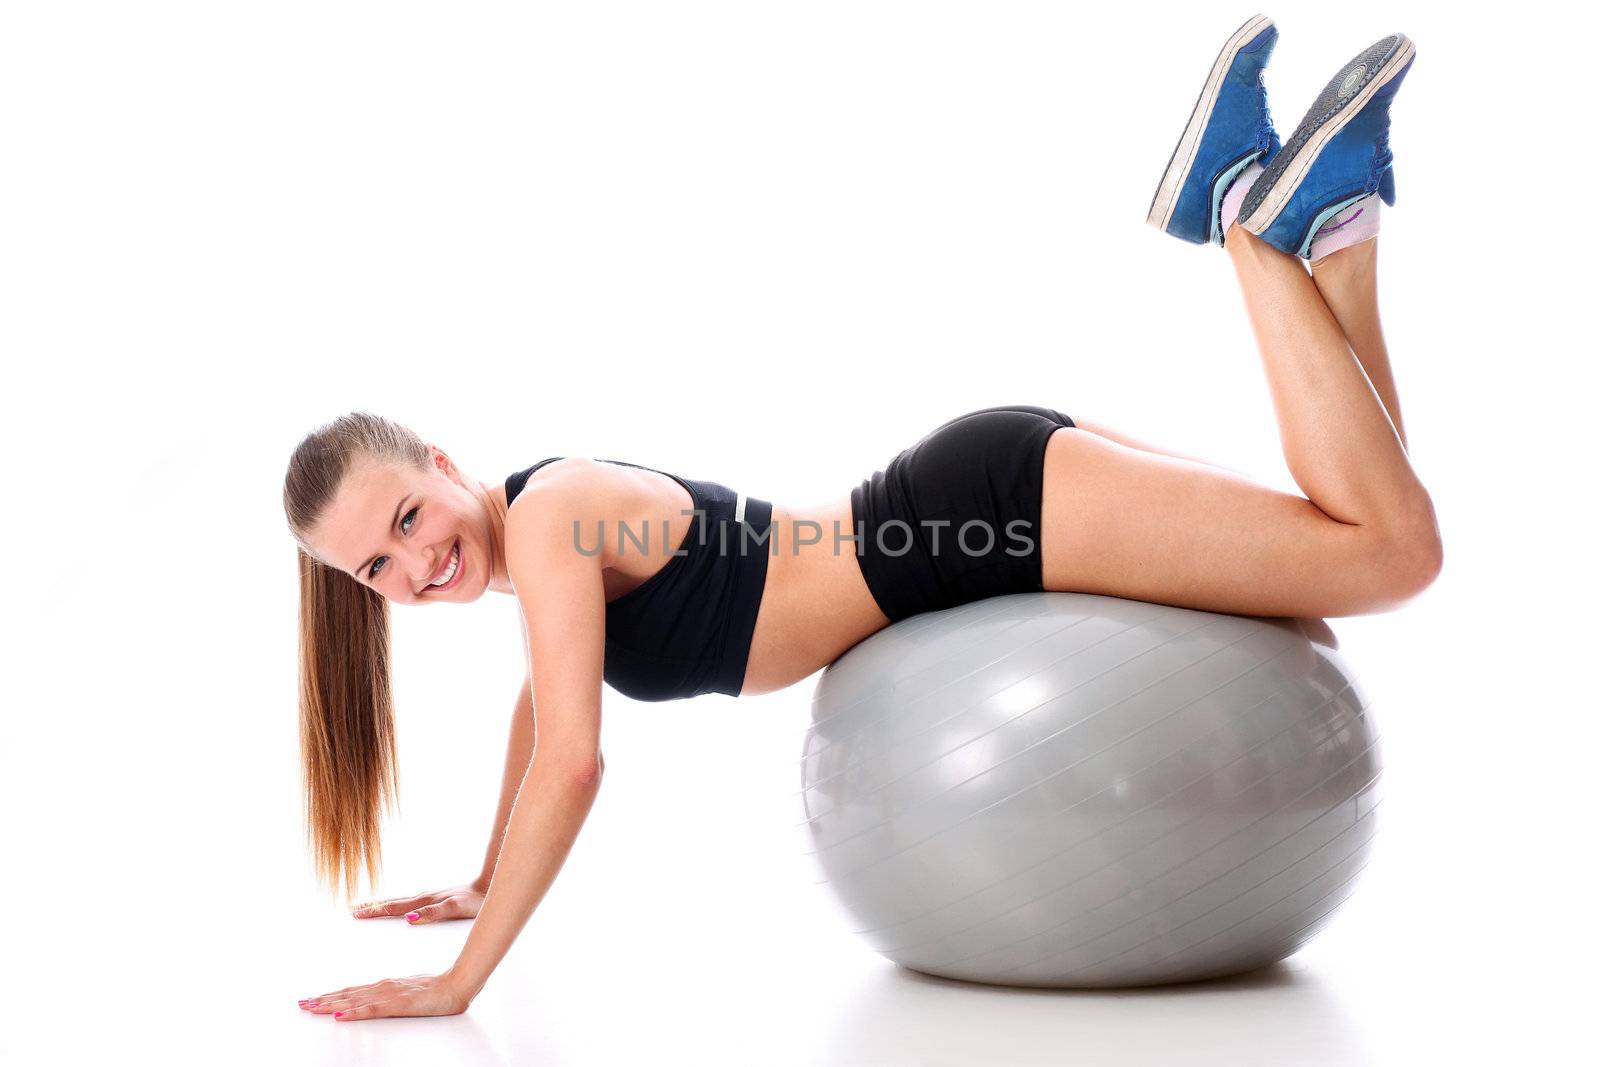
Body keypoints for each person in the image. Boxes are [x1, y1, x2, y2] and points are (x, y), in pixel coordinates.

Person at [283, 17, 1440, 1021]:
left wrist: (460, 982)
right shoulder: (544, 541)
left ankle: (1236, 214)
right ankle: (1335, 227)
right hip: (964, 501)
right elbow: (542, 704)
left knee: (1385, 556)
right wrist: (488, 873)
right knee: (1328, 568)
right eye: (376, 566)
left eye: (406, 514)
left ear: (440, 461)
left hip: (972, 519)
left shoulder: (546, 522)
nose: (416, 558)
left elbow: (574, 764)